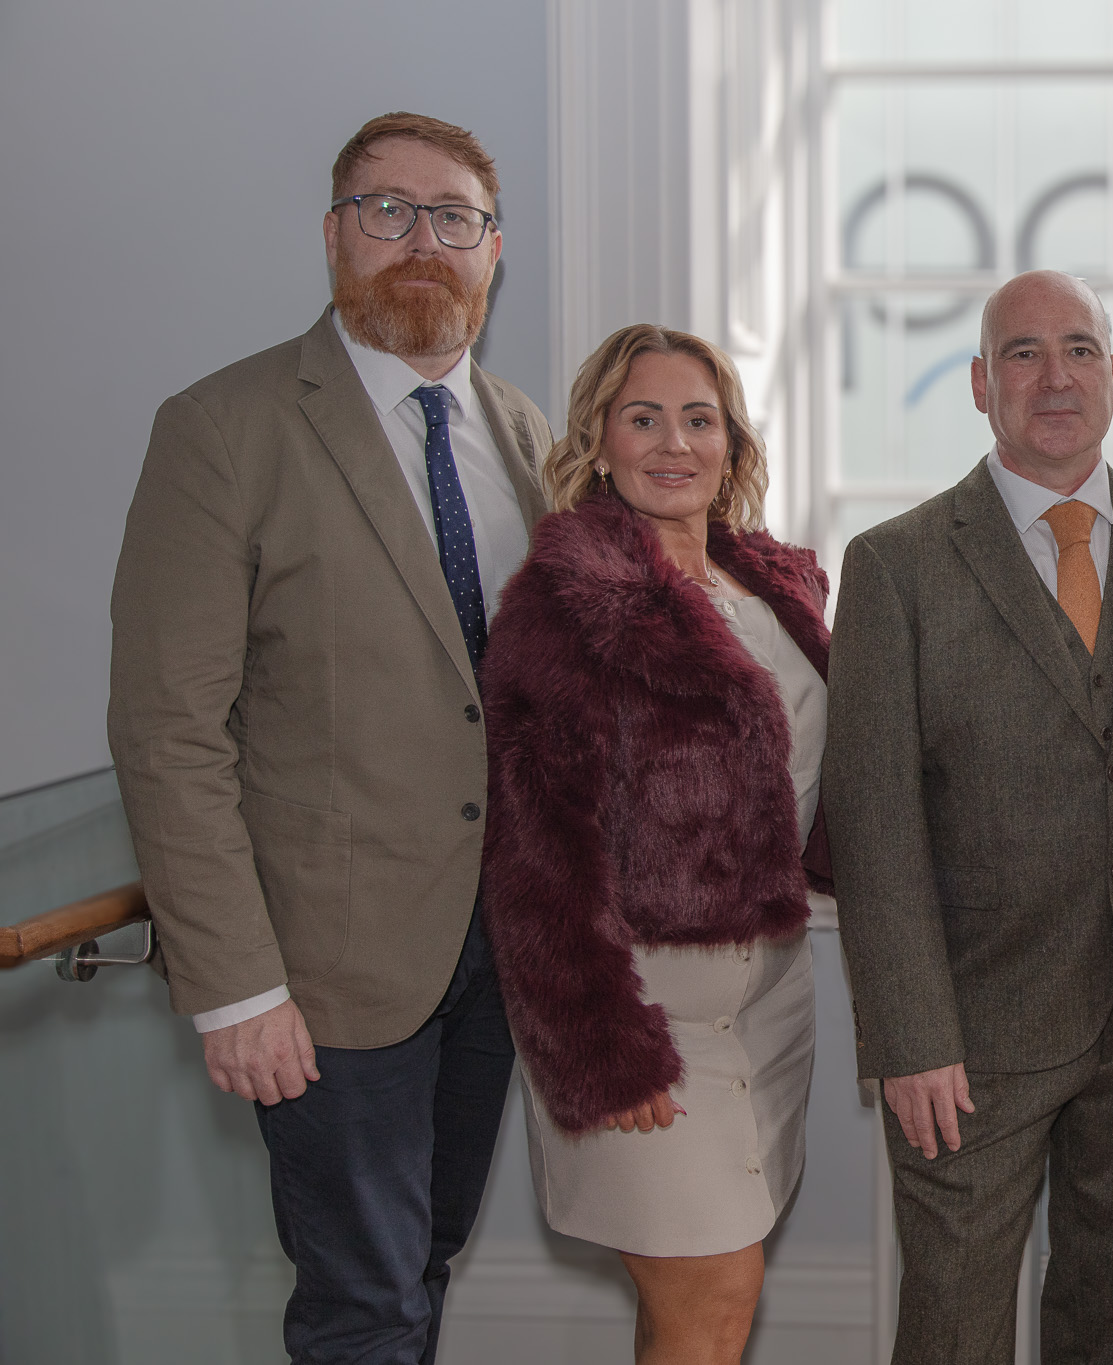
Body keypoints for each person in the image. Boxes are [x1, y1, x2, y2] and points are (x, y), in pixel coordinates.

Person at [107, 113, 552, 1360]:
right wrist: (237, 988)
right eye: (386, 210)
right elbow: (168, 730)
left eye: (453, 216)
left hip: (497, 949)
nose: (421, 240)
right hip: (322, 972)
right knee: (364, 1302)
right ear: (333, 236)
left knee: (423, 1259)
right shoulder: (224, 428)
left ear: (494, 250)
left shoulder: (524, 434)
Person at [824, 269, 1113, 1363]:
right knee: (953, 1323)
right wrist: (910, 1036)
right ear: (978, 383)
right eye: (1022, 353)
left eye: (1079, 349)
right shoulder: (895, 564)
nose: (1055, 377)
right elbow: (872, 818)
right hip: (970, 1029)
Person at [479, 325, 830, 1364]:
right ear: (599, 442)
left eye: (698, 419)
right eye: (644, 418)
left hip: (771, 1004)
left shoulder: (774, 583)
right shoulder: (565, 604)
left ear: (731, 442)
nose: (674, 443)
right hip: (643, 1016)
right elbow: (533, 852)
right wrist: (600, 1047)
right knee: (712, 1297)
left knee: (695, 1312)